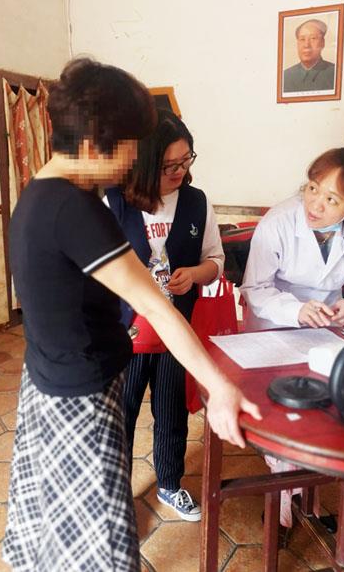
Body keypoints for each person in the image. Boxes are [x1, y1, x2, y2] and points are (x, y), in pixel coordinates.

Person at [3, 58, 260, 572]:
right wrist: (220, 387)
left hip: (48, 378)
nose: (132, 163)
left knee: (59, 524)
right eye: (129, 148)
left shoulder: (39, 191)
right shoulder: (78, 210)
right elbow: (154, 306)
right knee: (98, 544)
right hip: (79, 395)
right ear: (95, 145)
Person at [240, 147, 344, 528]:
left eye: (331, 199)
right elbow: (255, 288)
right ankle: (286, 505)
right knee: (287, 413)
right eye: (312, 188)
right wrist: (295, 311)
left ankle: (307, 496)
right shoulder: (279, 221)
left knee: (323, 410)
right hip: (274, 325)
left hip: (327, 326)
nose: (315, 204)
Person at [104, 109, 224, 522]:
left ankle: (170, 484)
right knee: (119, 414)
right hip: (126, 333)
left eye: (186, 160)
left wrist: (195, 275)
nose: (180, 171)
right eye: (169, 165)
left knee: (171, 413)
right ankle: (112, 494)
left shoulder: (196, 202)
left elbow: (215, 260)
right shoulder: (115, 201)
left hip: (177, 333)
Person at [283, 18, 336, 93]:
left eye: (313, 38)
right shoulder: (286, 76)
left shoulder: (335, 73)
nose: (306, 45)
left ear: (322, 43)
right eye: (302, 39)